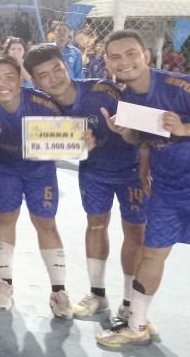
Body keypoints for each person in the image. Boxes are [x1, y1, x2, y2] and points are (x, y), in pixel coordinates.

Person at [95, 30, 190, 357]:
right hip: (167, 189)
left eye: (131, 54)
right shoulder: (127, 98)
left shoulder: (181, 86)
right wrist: (128, 139)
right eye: (115, 57)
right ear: (107, 63)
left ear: (146, 56)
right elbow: (143, 139)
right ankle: (136, 326)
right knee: (152, 253)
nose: (124, 62)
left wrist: (185, 128)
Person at [23, 44, 147, 319]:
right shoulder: (43, 107)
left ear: (66, 66)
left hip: (131, 170)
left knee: (135, 232)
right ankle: (98, 295)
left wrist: (127, 134)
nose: (54, 78)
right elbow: (40, 145)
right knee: (96, 225)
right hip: (94, 172)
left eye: (57, 69)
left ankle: (129, 301)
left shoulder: (103, 90)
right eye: (44, 75)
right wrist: (70, 146)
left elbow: (139, 130)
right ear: (35, 81)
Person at [0, 55, 74, 319]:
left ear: (21, 79)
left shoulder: (44, 105)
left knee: (46, 224)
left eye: (9, 77)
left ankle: (58, 291)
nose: (2, 84)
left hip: (40, 171)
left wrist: (76, 141)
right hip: (6, 169)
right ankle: (5, 282)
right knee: (6, 218)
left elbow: (67, 144)